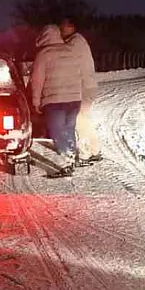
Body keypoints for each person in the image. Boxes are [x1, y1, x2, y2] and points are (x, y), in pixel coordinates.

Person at [31, 24, 83, 178]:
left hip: (55, 100)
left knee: (57, 132)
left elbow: (37, 80)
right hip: (74, 98)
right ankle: (73, 156)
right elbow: (79, 74)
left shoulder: (44, 54)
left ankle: (66, 163)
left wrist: (36, 101)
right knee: (69, 128)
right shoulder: (71, 51)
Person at [59, 16, 102, 165]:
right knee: (86, 120)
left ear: (72, 27)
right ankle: (95, 150)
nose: (61, 30)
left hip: (82, 88)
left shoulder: (74, 43)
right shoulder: (78, 41)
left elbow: (62, 59)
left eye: (63, 26)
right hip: (87, 86)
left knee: (80, 121)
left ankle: (85, 154)